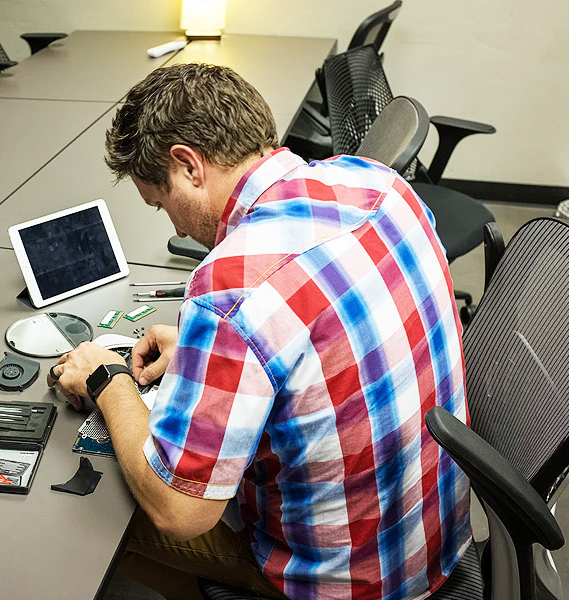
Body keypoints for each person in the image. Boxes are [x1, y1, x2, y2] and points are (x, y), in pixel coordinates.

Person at [47, 63, 471, 600]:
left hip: (348, 582)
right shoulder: (380, 183)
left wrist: (109, 383)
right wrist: (213, 355)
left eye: (161, 202)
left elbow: (181, 511)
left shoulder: (229, 289)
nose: (175, 227)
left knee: (115, 510)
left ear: (188, 165)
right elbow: (329, 331)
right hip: (434, 536)